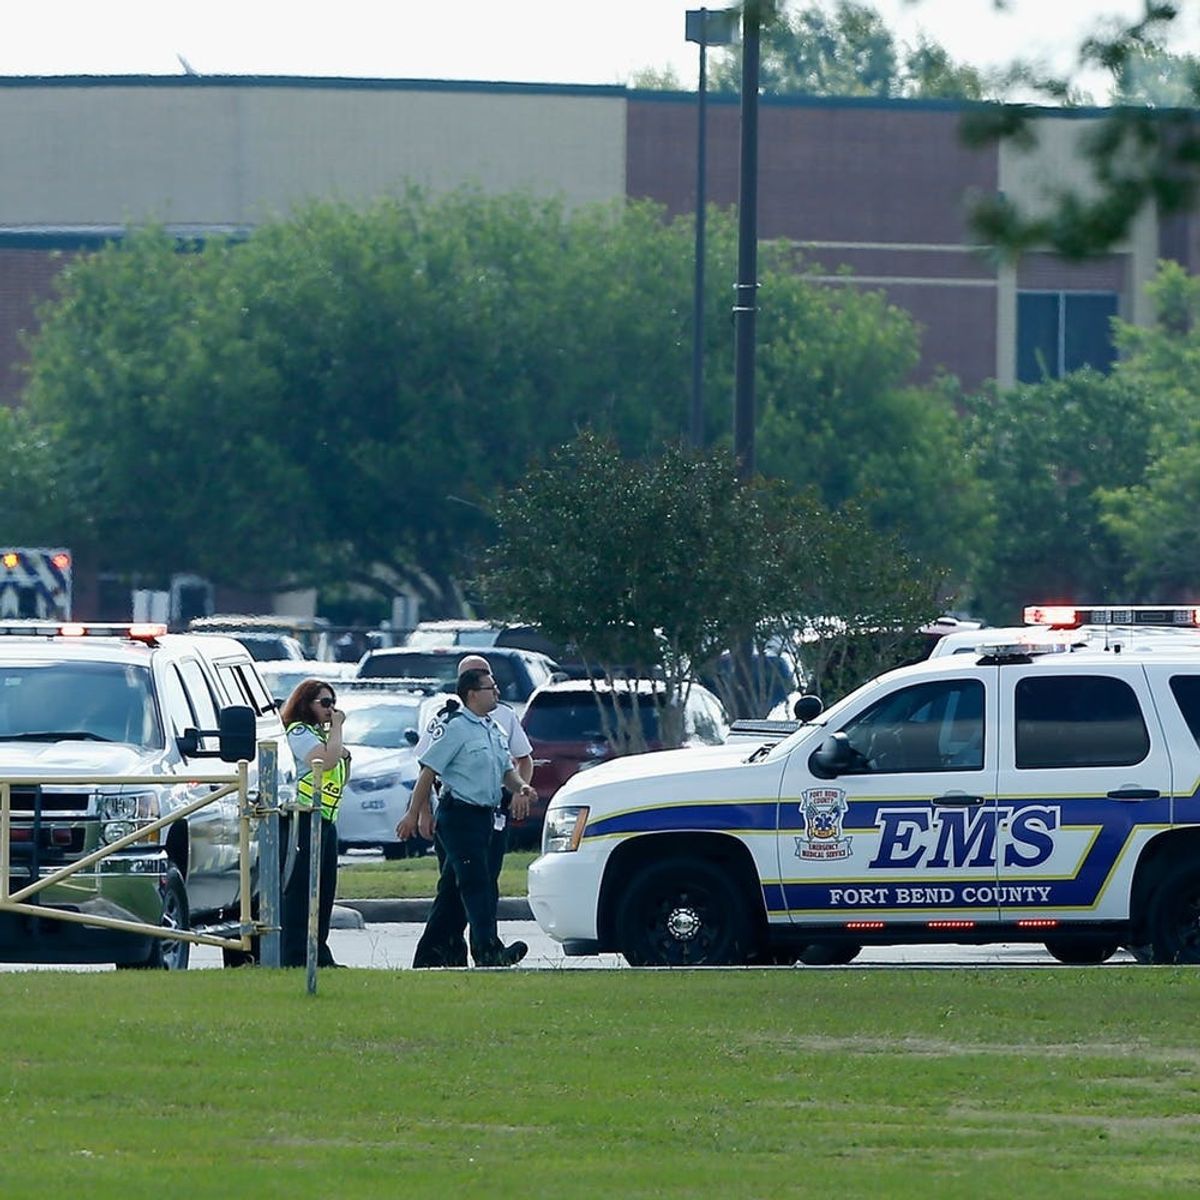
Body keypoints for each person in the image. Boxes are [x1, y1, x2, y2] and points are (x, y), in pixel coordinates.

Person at [397, 666, 535, 967]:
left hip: (487, 817)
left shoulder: (493, 728)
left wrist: (522, 788)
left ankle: (433, 954)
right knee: (476, 883)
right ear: (472, 694)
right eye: (490, 688)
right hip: (459, 816)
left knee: (454, 891)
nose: (497, 692)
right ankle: (488, 951)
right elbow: (428, 771)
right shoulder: (454, 726)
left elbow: (506, 772)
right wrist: (414, 814)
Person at [279, 678, 351, 968]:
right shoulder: (298, 732)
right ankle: (297, 955)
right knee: (301, 893)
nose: (331, 709)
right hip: (303, 820)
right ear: (305, 704)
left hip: (325, 820)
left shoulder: (322, 736)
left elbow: (339, 771)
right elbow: (325, 761)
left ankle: (318, 951)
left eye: (333, 703)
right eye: (324, 703)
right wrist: (338, 730)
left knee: (324, 891)